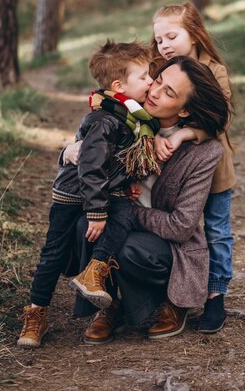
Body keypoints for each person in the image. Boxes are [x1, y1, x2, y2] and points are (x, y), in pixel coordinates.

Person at [70, 56, 230, 344]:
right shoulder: (129, 121)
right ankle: (107, 304)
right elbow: (86, 153)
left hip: (167, 245)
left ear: (185, 110)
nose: (154, 92)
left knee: (129, 246)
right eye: (157, 81)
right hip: (121, 220)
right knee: (86, 222)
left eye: (169, 92)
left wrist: (128, 213)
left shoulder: (204, 153)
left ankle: (172, 301)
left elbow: (181, 227)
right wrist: (68, 153)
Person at [17, 40, 157, 348]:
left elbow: (118, 159)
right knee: (53, 253)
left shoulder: (128, 115)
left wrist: (128, 179)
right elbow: (90, 168)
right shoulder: (104, 119)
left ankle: (94, 270)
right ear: (119, 85)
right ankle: (36, 313)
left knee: (125, 213)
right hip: (75, 194)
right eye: (145, 76)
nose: (151, 81)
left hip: (103, 190)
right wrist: (96, 211)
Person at [150, 2, 236, 333]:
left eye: (172, 36)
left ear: (195, 34)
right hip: (171, 171)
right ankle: (175, 295)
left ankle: (215, 296)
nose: (165, 45)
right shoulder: (162, 70)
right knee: (178, 229)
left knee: (216, 230)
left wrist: (187, 132)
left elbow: (221, 119)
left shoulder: (214, 71)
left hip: (213, 172)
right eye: (159, 40)